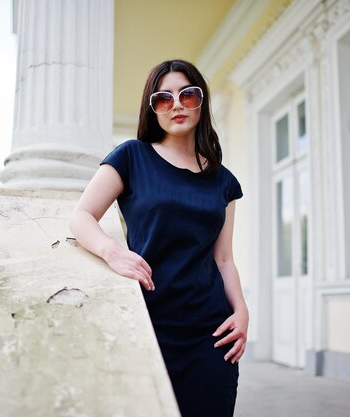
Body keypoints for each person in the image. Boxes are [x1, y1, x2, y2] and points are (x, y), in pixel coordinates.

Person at [69, 59, 248, 417]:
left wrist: (241, 310)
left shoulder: (224, 181)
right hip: (146, 325)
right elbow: (80, 216)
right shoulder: (131, 157)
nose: (177, 104)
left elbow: (224, 258)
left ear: (202, 101)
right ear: (152, 109)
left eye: (188, 94)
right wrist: (112, 252)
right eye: (164, 98)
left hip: (210, 335)